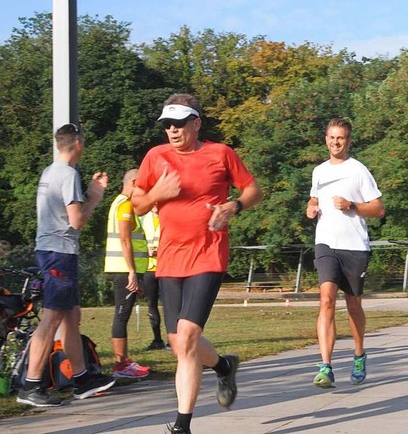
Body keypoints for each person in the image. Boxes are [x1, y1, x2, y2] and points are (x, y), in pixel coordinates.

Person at [131, 93, 264, 434]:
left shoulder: (220, 153)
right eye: (167, 125)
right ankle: (223, 366)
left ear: (196, 122)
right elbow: (138, 205)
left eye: (178, 124)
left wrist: (232, 207)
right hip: (170, 258)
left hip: (208, 252)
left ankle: (182, 426)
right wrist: (157, 194)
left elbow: (253, 191)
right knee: (179, 344)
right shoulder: (155, 157)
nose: (172, 131)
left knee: (188, 335)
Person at [18, 123, 115, 407]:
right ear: (78, 144)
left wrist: (89, 191)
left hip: (52, 250)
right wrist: (95, 195)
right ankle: (31, 385)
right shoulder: (69, 174)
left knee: (72, 317)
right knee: (51, 319)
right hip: (58, 252)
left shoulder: (50, 172)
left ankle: (82, 379)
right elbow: (76, 221)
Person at [306, 117, 385, 389]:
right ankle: (325, 366)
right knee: (326, 298)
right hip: (326, 242)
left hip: (354, 246)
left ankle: (359, 353)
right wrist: (311, 208)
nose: (335, 142)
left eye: (340, 138)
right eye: (331, 137)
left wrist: (352, 205)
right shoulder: (319, 171)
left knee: (353, 305)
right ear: (326, 138)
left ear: (348, 141)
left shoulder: (359, 171)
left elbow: (378, 209)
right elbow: (314, 199)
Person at [104, 168, 151, 379]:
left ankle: (123, 361)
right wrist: (132, 271)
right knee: (121, 314)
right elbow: (125, 239)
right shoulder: (125, 204)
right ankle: (120, 364)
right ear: (133, 182)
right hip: (124, 269)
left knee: (123, 314)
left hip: (125, 268)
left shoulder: (120, 202)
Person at [141, 205, 168, 351]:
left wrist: (161, 250)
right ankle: (157, 339)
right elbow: (137, 241)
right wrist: (147, 250)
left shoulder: (169, 216)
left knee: (169, 305)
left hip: (167, 267)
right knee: (152, 304)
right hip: (148, 268)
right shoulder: (142, 218)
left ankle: (173, 339)